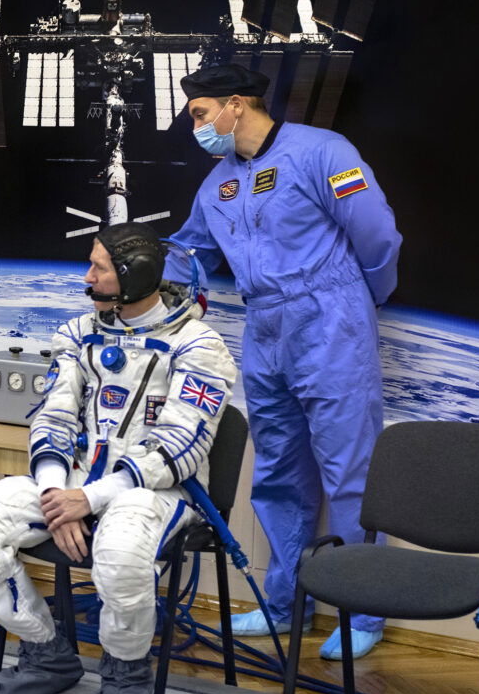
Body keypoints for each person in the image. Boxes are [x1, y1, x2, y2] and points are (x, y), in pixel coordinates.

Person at [0, 224, 238, 694]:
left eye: (98, 267)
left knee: (122, 551)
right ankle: (47, 651)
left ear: (135, 276)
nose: (87, 276)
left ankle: (127, 672)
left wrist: (88, 498)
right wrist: (55, 495)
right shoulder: (78, 335)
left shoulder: (199, 346)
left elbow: (180, 446)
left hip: (159, 491)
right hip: (74, 483)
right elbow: (53, 417)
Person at [167, 63, 401, 661]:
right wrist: (143, 286)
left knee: (350, 471)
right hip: (264, 325)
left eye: (200, 114)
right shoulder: (218, 184)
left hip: (331, 319)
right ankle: (282, 600)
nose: (196, 127)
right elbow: (188, 252)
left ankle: (362, 608)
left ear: (237, 105)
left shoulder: (322, 152)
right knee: (277, 471)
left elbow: (376, 235)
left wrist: (359, 300)